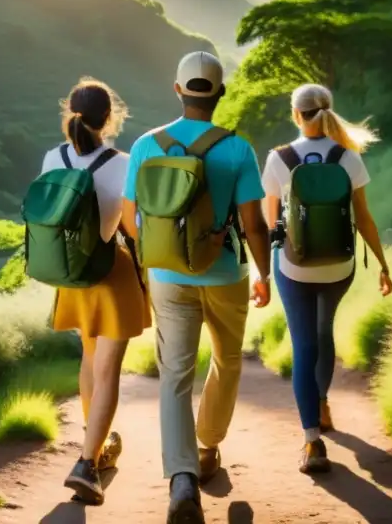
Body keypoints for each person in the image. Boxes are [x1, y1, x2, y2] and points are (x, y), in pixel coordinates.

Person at [121, 51, 272, 524]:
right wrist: (266, 275)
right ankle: (208, 446)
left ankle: (182, 478)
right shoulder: (238, 148)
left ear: (178, 89)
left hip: (168, 276)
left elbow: (130, 218)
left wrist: (156, 258)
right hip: (225, 273)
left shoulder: (147, 145)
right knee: (227, 362)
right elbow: (253, 224)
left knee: (174, 376)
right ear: (220, 93)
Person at [261, 83, 392, 474]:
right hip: (340, 266)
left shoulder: (279, 159)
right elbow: (364, 219)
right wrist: (384, 266)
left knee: (303, 345)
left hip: (294, 267)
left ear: (295, 114)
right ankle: (322, 404)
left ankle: (312, 442)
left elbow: (272, 226)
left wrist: (266, 271)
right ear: (329, 112)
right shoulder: (348, 158)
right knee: (324, 331)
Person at [44, 78, 152, 505]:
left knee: (90, 362)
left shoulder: (52, 156)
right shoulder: (124, 163)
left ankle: (96, 449)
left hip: (71, 275)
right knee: (107, 370)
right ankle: (87, 465)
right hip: (111, 272)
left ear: (69, 112)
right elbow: (131, 229)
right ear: (110, 118)